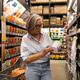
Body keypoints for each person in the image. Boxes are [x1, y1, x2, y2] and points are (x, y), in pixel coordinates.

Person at [21, 14, 54, 80]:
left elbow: (50, 50)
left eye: (40, 25)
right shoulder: (25, 39)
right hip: (32, 68)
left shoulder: (45, 35)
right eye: (36, 26)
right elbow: (26, 59)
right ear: (30, 26)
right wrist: (43, 53)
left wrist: (55, 48)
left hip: (46, 67)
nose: (39, 28)